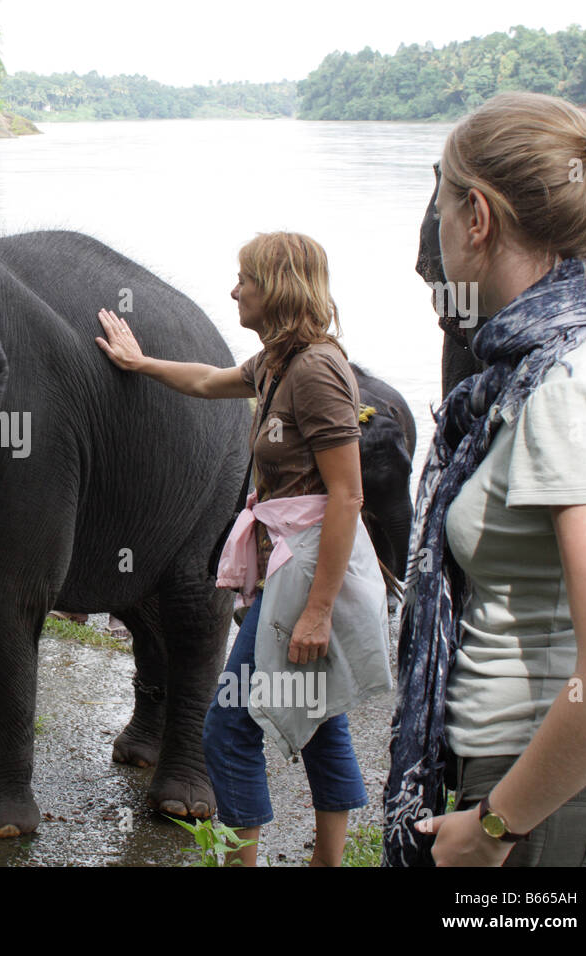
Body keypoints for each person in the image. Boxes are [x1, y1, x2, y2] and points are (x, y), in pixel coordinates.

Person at [386, 92, 586, 867]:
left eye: (445, 210)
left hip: (547, 805)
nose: (442, 233)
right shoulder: (545, 366)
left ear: (478, 217)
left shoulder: (570, 386)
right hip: (533, 793)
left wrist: (495, 827)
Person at [95, 231, 390, 866]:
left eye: (245, 280)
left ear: (277, 288)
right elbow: (207, 381)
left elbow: (347, 496)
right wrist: (141, 363)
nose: (234, 290)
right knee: (318, 711)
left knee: (227, 729)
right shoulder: (277, 362)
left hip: (311, 564)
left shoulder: (315, 371)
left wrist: (317, 609)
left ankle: (241, 862)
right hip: (293, 557)